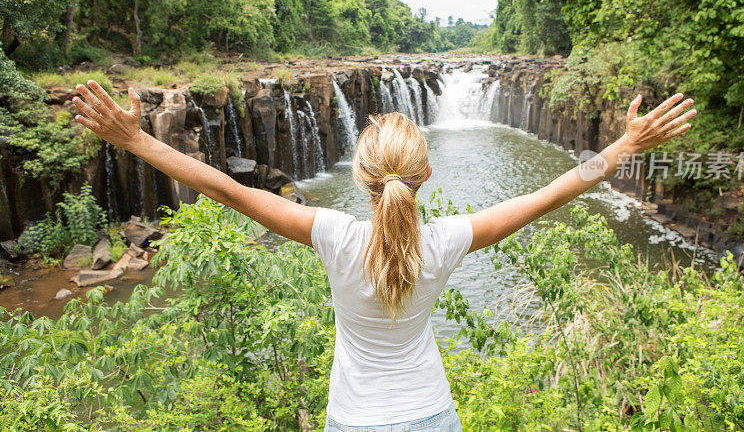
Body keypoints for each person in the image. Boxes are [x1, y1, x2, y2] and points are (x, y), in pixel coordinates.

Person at [72, 79, 696, 431]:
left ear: (364, 176)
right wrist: (622, 145)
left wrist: (134, 138)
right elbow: (556, 189)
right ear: (426, 172)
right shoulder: (447, 241)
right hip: (431, 414)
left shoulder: (334, 236)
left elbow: (223, 187)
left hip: (352, 419)